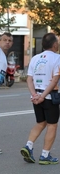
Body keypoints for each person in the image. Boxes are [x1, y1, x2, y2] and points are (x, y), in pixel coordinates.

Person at [20, 33, 60, 165]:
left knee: (41, 122)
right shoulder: (57, 58)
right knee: (52, 125)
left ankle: (28, 146)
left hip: (36, 97)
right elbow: (55, 80)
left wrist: (34, 95)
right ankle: (45, 155)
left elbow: (29, 78)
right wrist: (43, 96)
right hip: (48, 97)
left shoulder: (35, 58)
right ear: (54, 44)